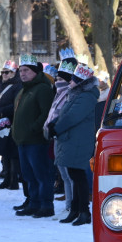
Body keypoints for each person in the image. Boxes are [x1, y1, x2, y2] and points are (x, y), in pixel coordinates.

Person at [49, 62, 99, 225]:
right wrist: (54, 123)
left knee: (78, 177)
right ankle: (76, 210)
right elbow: (65, 113)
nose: (70, 81)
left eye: (74, 79)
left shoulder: (86, 96)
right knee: (74, 175)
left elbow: (72, 117)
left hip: (78, 141)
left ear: (80, 81)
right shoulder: (77, 94)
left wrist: (56, 128)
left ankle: (84, 211)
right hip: (72, 139)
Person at [11, 54, 56, 218]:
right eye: (21, 70)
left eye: (26, 70)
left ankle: (46, 205)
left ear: (35, 72)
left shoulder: (42, 89)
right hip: (23, 141)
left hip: (36, 141)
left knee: (41, 175)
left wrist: (32, 129)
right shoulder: (24, 90)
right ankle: (33, 203)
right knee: (29, 176)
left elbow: (46, 114)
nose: (22, 73)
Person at [45, 58, 78, 218]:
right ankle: (68, 205)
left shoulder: (71, 95)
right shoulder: (57, 94)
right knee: (64, 175)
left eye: (61, 79)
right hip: (57, 138)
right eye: (56, 79)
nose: (57, 82)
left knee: (70, 175)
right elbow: (52, 113)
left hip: (67, 138)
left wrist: (55, 127)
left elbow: (67, 116)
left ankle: (73, 206)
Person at [0, 61, 22, 191]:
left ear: (13, 73)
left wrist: (1, 110)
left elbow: (16, 103)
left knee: (13, 153)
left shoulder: (17, 85)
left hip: (12, 121)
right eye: (3, 72)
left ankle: (13, 180)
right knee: (4, 152)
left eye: (7, 72)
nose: (4, 74)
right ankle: (6, 178)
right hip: (1, 122)